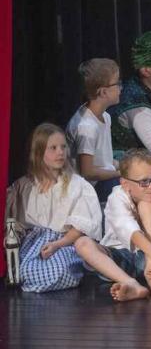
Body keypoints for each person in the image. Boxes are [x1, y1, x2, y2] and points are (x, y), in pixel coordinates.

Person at [75, 148, 151, 302]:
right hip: (120, 259)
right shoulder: (116, 198)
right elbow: (129, 229)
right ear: (125, 184)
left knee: (148, 205)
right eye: (144, 182)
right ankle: (131, 283)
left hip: (150, 259)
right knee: (82, 243)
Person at [5, 123, 102, 292]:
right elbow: (16, 224)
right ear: (39, 153)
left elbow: (80, 227)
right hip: (33, 242)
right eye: (53, 148)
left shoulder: (77, 185)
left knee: (59, 271)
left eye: (63, 147)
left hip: (64, 241)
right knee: (25, 271)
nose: (60, 152)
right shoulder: (25, 186)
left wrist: (57, 244)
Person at [66, 58, 122, 202]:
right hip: (90, 189)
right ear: (103, 92)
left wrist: (124, 165)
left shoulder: (105, 117)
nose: (120, 88)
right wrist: (120, 173)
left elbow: (104, 160)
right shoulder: (87, 127)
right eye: (117, 83)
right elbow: (88, 172)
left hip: (105, 179)